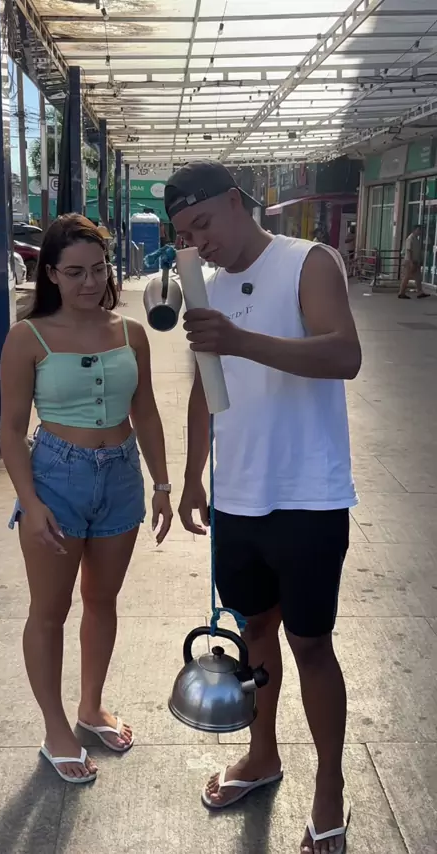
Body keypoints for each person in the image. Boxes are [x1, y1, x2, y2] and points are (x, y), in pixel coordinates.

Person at [165, 161, 361, 854]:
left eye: (203, 224)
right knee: (254, 633)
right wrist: (193, 477)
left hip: (307, 494)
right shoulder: (209, 288)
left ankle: (330, 785)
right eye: (186, 234)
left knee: (310, 643)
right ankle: (262, 754)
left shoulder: (309, 262)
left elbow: (344, 355)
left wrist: (240, 339)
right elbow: (205, 386)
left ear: (236, 202)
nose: (200, 242)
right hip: (238, 499)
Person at [0, 214, 172, 784]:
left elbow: (146, 411)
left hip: (121, 474)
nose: (90, 282)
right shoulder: (28, 337)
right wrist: (30, 501)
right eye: (74, 272)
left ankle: (90, 706)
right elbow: (11, 430)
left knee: (102, 599)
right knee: (49, 610)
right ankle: (56, 728)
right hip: (56, 477)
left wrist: (162, 483)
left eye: (98, 270)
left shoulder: (131, 333)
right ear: (50, 273)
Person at [399, 224, 429, 299]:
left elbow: (417, 251)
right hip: (410, 261)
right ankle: (401, 293)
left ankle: (420, 292)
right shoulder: (410, 238)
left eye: (420, 230)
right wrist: (411, 262)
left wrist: (419, 260)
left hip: (416, 261)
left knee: (418, 277)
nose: (420, 232)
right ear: (414, 230)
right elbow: (409, 251)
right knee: (406, 276)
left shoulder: (416, 239)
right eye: (418, 230)